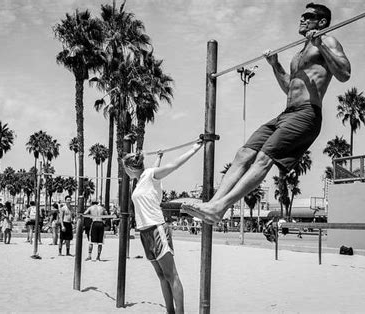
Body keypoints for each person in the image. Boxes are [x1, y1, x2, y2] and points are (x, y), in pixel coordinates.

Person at [183, 3, 351, 225]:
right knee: (244, 153)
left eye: (308, 16)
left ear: (321, 22)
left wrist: (322, 46)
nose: (301, 19)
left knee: (264, 157)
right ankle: (213, 203)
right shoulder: (299, 52)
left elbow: (345, 73)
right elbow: (289, 87)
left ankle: (219, 207)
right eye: (301, 15)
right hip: (287, 112)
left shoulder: (327, 41)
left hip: (307, 113)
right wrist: (275, 65)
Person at [123, 141, 203, 314]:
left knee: (171, 275)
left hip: (157, 229)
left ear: (130, 168)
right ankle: (170, 311)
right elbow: (151, 179)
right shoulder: (142, 180)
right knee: (161, 276)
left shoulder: (151, 174)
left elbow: (174, 166)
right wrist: (158, 157)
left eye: (125, 169)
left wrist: (195, 148)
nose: (125, 172)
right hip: (145, 232)